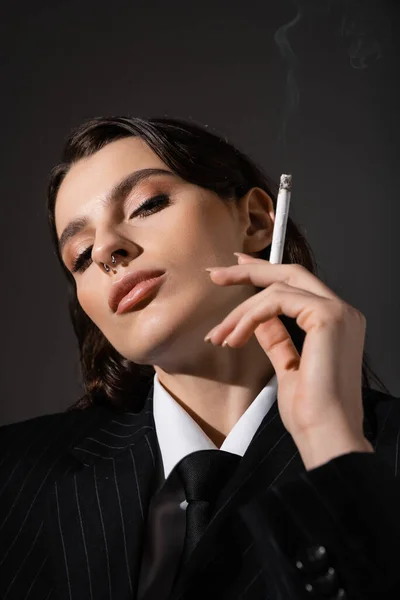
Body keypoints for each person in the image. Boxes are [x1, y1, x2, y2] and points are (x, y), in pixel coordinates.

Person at [0, 116, 399, 600]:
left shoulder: (371, 456)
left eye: (147, 204)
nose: (106, 249)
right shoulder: (14, 478)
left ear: (254, 221)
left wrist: (329, 444)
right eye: (81, 256)